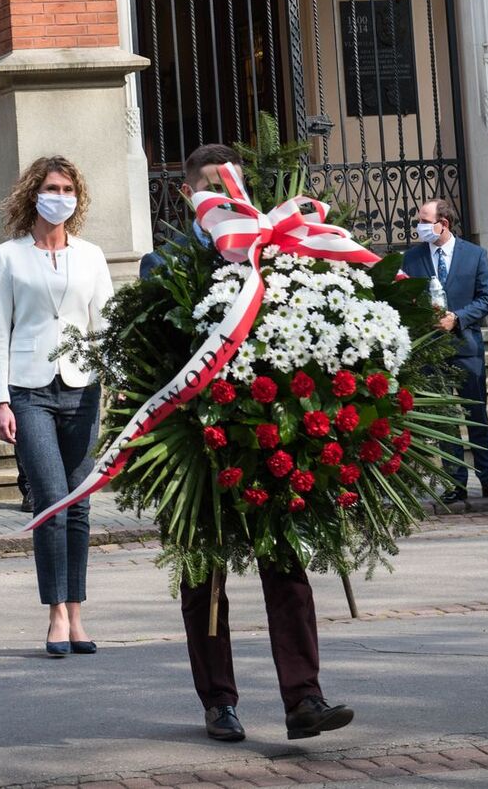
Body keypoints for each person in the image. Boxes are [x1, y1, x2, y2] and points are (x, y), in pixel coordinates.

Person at [141, 143, 354, 743]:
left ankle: (304, 698)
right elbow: (154, 354)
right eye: (211, 185)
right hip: (198, 440)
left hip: (267, 433)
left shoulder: (276, 249)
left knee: (285, 566)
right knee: (203, 578)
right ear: (188, 194)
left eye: (231, 183)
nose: (224, 194)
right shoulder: (165, 264)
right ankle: (219, 702)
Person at [0, 155, 113, 657]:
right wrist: (0, 400)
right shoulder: (8, 255)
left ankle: (77, 613)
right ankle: (56, 612)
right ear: (32, 195)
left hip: (82, 389)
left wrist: (120, 384)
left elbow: (106, 325)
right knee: (52, 501)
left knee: (78, 505)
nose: (59, 197)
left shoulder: (92, 255)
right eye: (51, 188)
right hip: (29, 389)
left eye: (67, 189)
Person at [402, 199, 488, 508]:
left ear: (443, 223)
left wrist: (457, 318)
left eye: (424, 220)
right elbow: (403, 300)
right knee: (444, 419)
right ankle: (455, 483)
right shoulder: (411, 258)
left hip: (467, 348)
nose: (419, 226)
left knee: (476, 415)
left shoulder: (475, 254)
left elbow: (487, 299)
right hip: (430, 351)